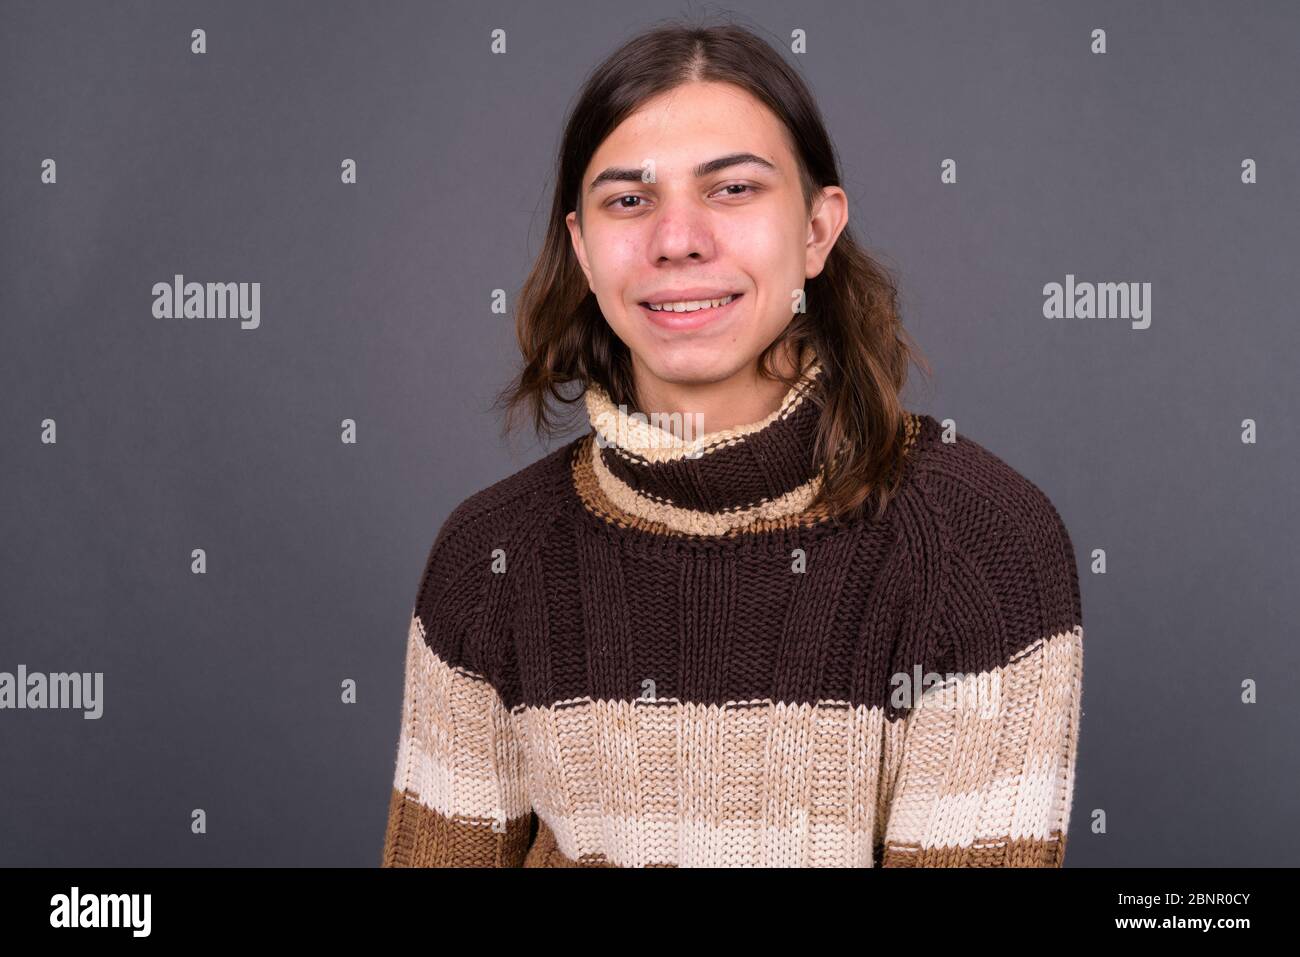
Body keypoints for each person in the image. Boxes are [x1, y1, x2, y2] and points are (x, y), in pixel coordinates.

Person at [380, 20, 1084, 868]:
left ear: (819, 231)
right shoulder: (487, 558)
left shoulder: (981, 548)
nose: (677, 239)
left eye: (733, 189)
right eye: (629, 200)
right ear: (583, 250)